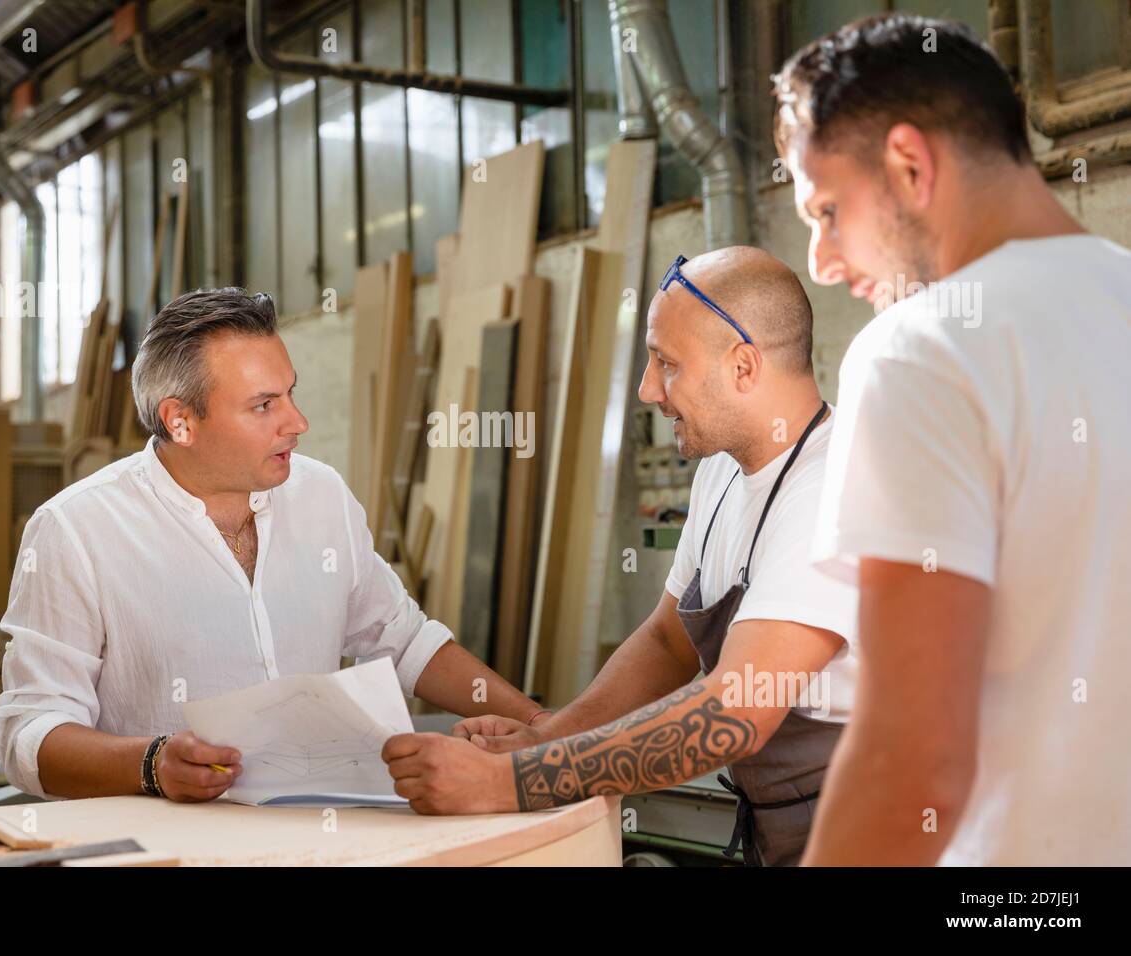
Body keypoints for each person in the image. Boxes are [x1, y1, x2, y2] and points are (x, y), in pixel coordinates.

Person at [773, 14, 1131, 864]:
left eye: (827, 210)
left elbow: (914, 761)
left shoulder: (921, 351)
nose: (820, 259)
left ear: (909, 163)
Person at [382, 247, 859, 866]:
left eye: (667, 363)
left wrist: (507, 783)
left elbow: (735, 711)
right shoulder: (720, 472)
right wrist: (545, 737)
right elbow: (667, 641)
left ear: (744, 366)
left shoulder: (831, 488)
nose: (646, 389)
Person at [0, 288, 543, 802]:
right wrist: (152, 764)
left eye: (290, 393)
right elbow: (29, 732)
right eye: (263, 406)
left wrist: (546, 730)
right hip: (168, 851)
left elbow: (401, 639)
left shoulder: (320, 494)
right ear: (180, 421)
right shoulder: (76, 530)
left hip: (321, 833)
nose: (297, 422)